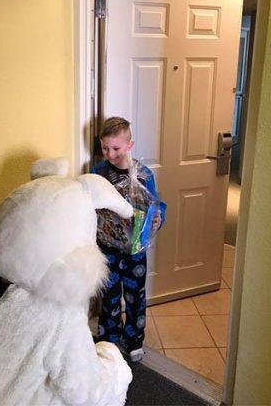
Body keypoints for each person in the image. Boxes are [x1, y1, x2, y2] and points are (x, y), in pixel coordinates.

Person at [92, 116, 166, 362]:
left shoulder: (143, 175)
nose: (109, 153)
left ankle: (134, 339)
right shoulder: (98, 172)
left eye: (115, 148)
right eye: (105, 148)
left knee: (135, 295)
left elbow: (157, 204)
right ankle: (109, 338)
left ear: (129, 146)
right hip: (107, 247)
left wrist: (158, 218)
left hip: (135, 249)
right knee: (109, 293)